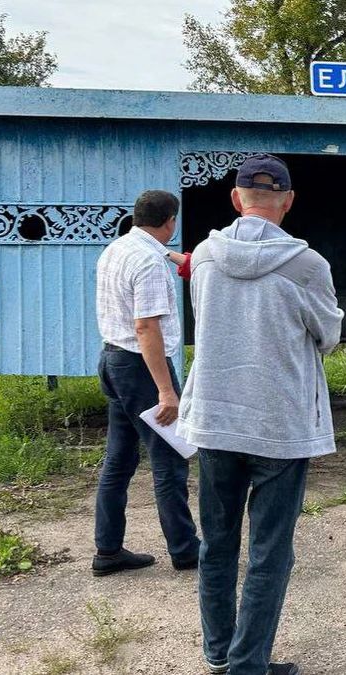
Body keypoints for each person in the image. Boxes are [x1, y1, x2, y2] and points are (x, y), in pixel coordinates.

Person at [177, 154, 343, 675]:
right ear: (288, 202)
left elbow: (206, 321)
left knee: (218, 542)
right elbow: (329, 337)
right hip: (281, 423)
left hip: (216, 417)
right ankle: (250, 665)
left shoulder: (203, 255)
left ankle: (220, 653)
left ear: (235, 199)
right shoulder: (308, 265)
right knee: (270, 552)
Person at [93, 189, 200, 576]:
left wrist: (178, 257)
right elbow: (146, 327)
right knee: (169, 458)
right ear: (170, 221)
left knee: (119, 462)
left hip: (111, 360)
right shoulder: (149, 262)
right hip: (141, 367)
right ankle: (186, 549)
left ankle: (108, 550)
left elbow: (171, 258)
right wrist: (166, 390)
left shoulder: (119, 249)